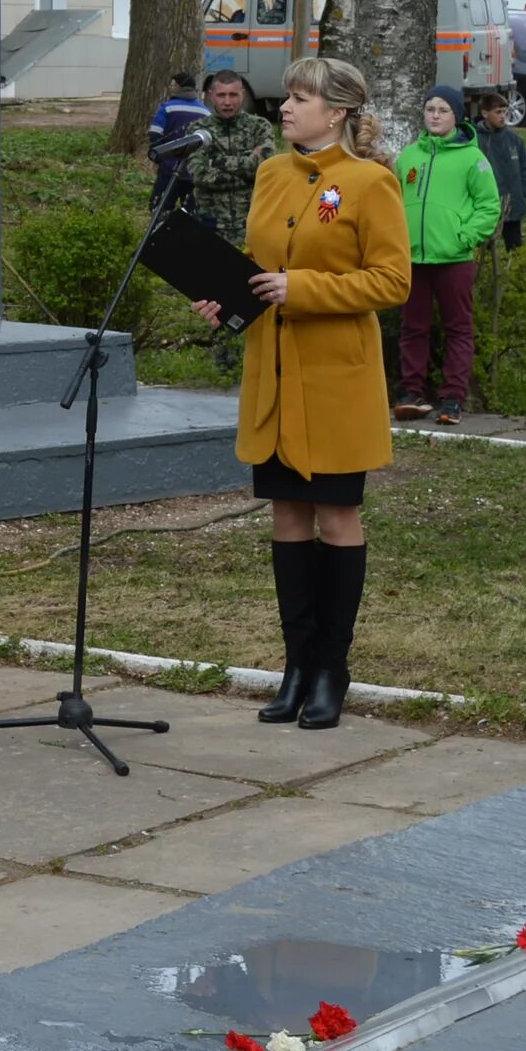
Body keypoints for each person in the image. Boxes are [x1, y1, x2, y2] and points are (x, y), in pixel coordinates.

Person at [195, 55, 409, 731]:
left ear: (337, 110)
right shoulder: (270, 172)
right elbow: (260, 266)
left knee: (337, 517)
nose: (285, 106)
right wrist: (228, 299)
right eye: (286, 95)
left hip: (337, 379)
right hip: (275, 374)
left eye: (300, 96)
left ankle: (330, 670)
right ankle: (294, 665)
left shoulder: (370, 182)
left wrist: (303, 289)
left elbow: (391, 281)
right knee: (287, 515)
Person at [390, 84, 498, 425]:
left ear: (456, 117)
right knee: (413, 328)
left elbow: (488, 206)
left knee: (458, 329)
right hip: (413, 258)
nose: (435, 116)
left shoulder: (473, 159)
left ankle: (452, 398)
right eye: (430, 109)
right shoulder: (409, 157)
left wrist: (464, 236)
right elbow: (392, 202)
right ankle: (412, 393)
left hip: (454, 259)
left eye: (443, 110)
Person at [187, 71, 274, 247]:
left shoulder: (259, 126)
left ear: (242, 93)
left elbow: (265, 171)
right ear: (211, 96)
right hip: (211, 224)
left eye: (233, 95)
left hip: (251, 224)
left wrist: (216, 161)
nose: (227, 102)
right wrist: (246, 165)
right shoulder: (198, 130)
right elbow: (199, 175)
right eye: (221, 95)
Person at [474, 90, 526, 254]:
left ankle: (516, 274)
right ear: (485, 113)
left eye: (505, 112)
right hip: (487, 203)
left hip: (512, 201)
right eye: (497, 112)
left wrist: (523, 192)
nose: (502, 116)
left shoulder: (514, 140)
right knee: (482, 246)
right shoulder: (476, 140)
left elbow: (525, 168)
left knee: (514, 245)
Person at [147, 70, 210, 202]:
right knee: (189, 213)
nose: (171, 88)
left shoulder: (167, 108)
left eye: (173, 85)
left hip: (169, 169)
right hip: (194, 172)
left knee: (160, 206)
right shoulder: (205, 111)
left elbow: (154, 133)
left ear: (179, 87)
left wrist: (160, 156)